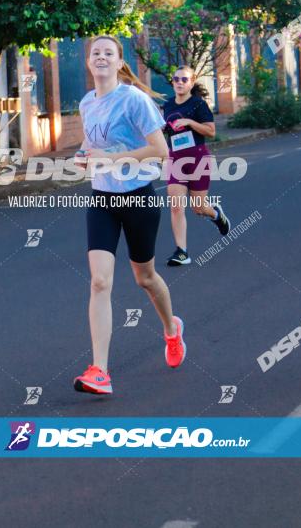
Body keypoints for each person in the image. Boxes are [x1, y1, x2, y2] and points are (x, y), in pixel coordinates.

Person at [73, 35, 186, 396]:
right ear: (89, 62)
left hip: (138, 197)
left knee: (146, 278)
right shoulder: (87, 102)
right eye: (96, 53)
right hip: (102, 198)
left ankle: (171, 329)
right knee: (99, 282)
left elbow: (160, 150)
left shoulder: (134, 100)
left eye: (109, 53)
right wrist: (83, 155)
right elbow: (92, 145)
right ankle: (99, 371)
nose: (101, 57)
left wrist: (111, 160)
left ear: (120, 62)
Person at [163, 66, 231, 266]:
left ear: (192, 83)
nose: (180, 82)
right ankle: (182, 252)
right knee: (176, 207)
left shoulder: (198, 104)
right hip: (176, 158)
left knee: (199, 208)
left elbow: (210, 131)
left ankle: (217, 215)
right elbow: (164, 130)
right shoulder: (167, 105)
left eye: (184, 79)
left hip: (197, 158)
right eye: (176, 79)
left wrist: (189, 122)